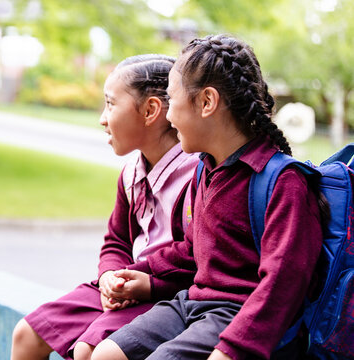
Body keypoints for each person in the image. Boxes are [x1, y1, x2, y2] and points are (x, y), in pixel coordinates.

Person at [91, 35, 325, 360]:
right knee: (106, 354)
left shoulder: (283, 181)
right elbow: (192, 250)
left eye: (172, 102)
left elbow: (284, 283)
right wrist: (146, 277)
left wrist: (232, 349)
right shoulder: (206, 169)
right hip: (193, 303)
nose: (168, 117)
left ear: (207, 102)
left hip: (238, 315)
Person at [10, 54, 200, 360]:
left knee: (89, 351)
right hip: (122, 286)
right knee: (26, 334)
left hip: (165, 293)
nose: (102, 117)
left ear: (150, 110)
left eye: (110, 104)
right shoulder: (131, 174)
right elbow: (117, 240)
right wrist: (111, 276)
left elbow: (195, 255)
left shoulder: (195, 177)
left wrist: (136, 281)